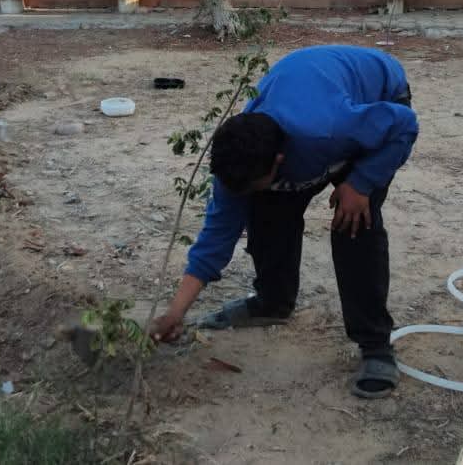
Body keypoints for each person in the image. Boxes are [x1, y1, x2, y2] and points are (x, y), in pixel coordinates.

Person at [149, 45, 418, 399]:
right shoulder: (237, 162)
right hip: (314, 104)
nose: (243, 193)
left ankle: (376, 346)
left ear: (279, 161)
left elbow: (404, 125)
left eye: (255, 183)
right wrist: (176, 312)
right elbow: (216, 238)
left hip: (378, 97)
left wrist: (362, 182)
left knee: (354, 225)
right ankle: (272, 302)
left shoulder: (330, 128)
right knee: (266, 210)